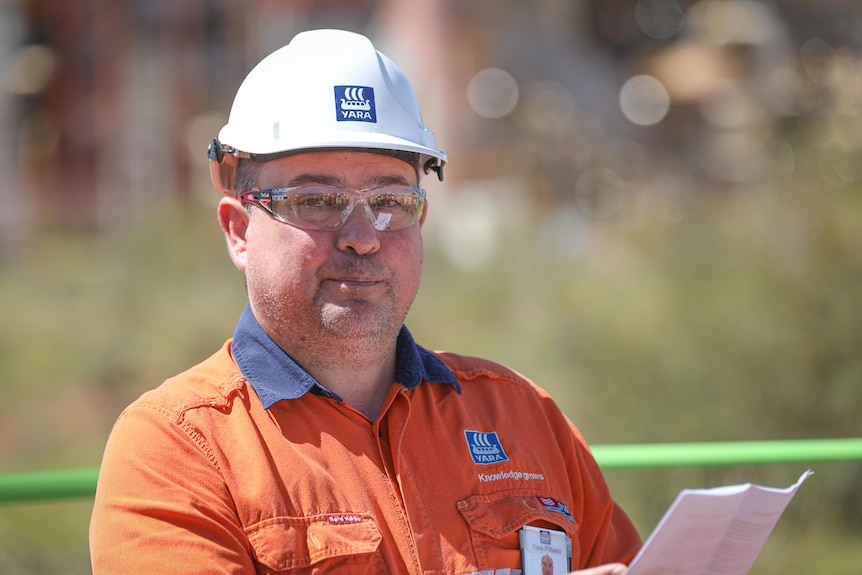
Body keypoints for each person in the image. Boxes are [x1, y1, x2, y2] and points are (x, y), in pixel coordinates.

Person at [89, 29, 642, 575]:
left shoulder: (525, 418)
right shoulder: (176, 449)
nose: (363, 235)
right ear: (239, 231)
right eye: (317, 201)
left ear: (420, 219)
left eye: (389, 200)